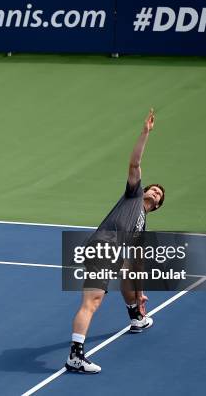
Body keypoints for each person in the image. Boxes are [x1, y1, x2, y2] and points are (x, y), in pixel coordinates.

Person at [65, 109, 166, 374]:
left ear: (157, 207)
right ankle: (75, 355)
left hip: (113, 254)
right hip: (103, 246)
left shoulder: (141, 227)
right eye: (154, 189)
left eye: (159, 195)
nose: (155, 192)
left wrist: (140, 293)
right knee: (92, 302)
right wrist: (145, 133)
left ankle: (135, 318)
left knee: (130, 275)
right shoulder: (133, 196)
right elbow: (134, 164)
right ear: (144, 191)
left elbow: (136, 266)